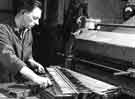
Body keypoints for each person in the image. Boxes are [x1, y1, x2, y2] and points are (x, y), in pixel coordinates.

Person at [0, 0, 52, 88]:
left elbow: (27, 55)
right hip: (2, 82)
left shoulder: (28, 30)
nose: (37, 23)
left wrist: (32, 62)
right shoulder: (2, 29)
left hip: (16, 83)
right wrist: (35, 78)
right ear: (23, 12)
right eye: (35, 18)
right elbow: (8, 57)